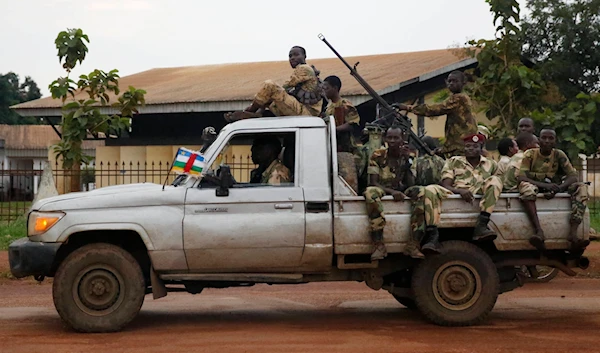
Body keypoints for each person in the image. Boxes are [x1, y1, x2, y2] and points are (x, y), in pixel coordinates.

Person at [412, 133, 503, 249]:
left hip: (479, 191)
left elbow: (499, 185)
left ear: (481, 148)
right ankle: (432, 235)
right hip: (455, 191)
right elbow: (446, 185)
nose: (470, 149)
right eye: (468, 146)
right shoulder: (453, 161)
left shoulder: (491, 164)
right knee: (430, 189)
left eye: (475, 147)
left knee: (495, 180)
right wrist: (459, 191)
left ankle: (482, 224)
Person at [518, 127, 590, 251]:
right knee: (526, 188)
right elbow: (521, 177)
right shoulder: (530, 154)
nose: (547, 141)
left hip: (556, 187)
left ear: (555, 141)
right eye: (544, 138)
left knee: (582, 188)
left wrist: (559, 188)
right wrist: (545, 186)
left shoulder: (559, 155)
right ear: (538, 140)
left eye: (550, 138)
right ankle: (538, 231)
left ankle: (573, 234)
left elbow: (573, 176)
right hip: (536, 186)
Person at [225, 46, 323, 122]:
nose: (292, 58)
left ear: (304, 56)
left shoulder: (304, 68)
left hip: (305, 112)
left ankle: (250, 111)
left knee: (270, 86)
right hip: (304, 111)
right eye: (290, 56)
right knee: (270, 95)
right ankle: (258, 113)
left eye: (296, 55)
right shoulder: (309, 70)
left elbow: (286, 86)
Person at [393, 71, 477, 157]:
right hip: (459, 147)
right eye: (449, 81)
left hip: (460, 149)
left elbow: (436, 109)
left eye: (455, 81)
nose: (451, 84)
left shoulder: (459, 98)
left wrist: (408, 108)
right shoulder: (463, 98)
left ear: (463, 83)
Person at [363, 126, 413, 260]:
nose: (392, 141)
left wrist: (407, 161)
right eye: (389, 137)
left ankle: (415, 242)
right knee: (370, 192)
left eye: (396, 138)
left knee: (422, 192)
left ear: (402, 139)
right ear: (385, 139)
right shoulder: (378, 155)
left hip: (402, 190)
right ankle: (378, 244)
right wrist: (392, 192)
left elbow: (412, 183)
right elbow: (373, 182)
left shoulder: (408, 156)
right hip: (383, 189)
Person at [403, 136, 447, 258]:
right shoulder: (442, 162)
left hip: (421, 194)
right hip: (436, 194)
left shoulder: (417, 161)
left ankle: (415, 241)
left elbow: (410, 182)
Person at [321, 75, 361, 153]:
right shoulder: (328, 106)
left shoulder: (345, 104)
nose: (324, 91)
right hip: (332, 144)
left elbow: (352, 124)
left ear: (335, 88)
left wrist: (333, 129)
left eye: (326, 88)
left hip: (345, 146)